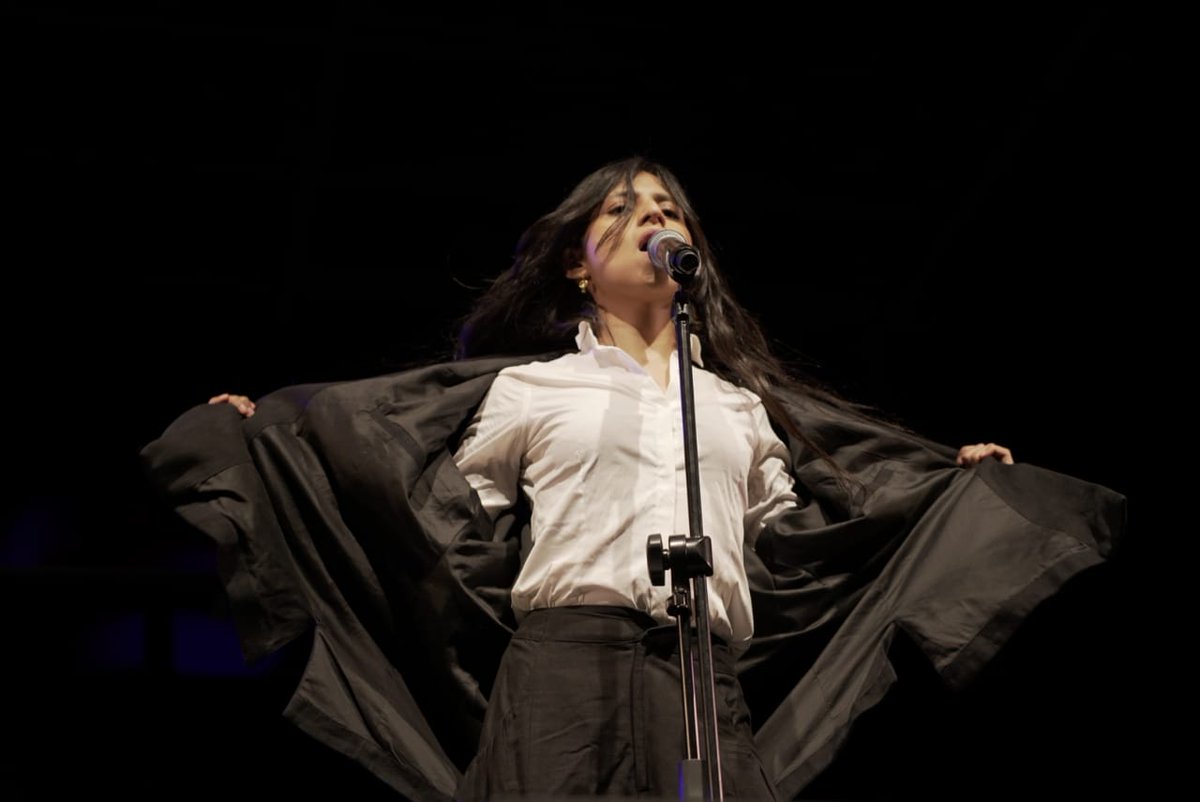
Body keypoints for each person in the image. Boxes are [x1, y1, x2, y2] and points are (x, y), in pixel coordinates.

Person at [143, 156, 1122, 801]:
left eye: (668, 208)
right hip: (564, 667)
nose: (654, 216)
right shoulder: (531, 391)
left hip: (702, 672)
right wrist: (275, 441)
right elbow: (431, 515)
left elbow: (807, 547)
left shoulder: (738, 408)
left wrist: (942, 488)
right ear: (580, 263)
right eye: (624, 208)